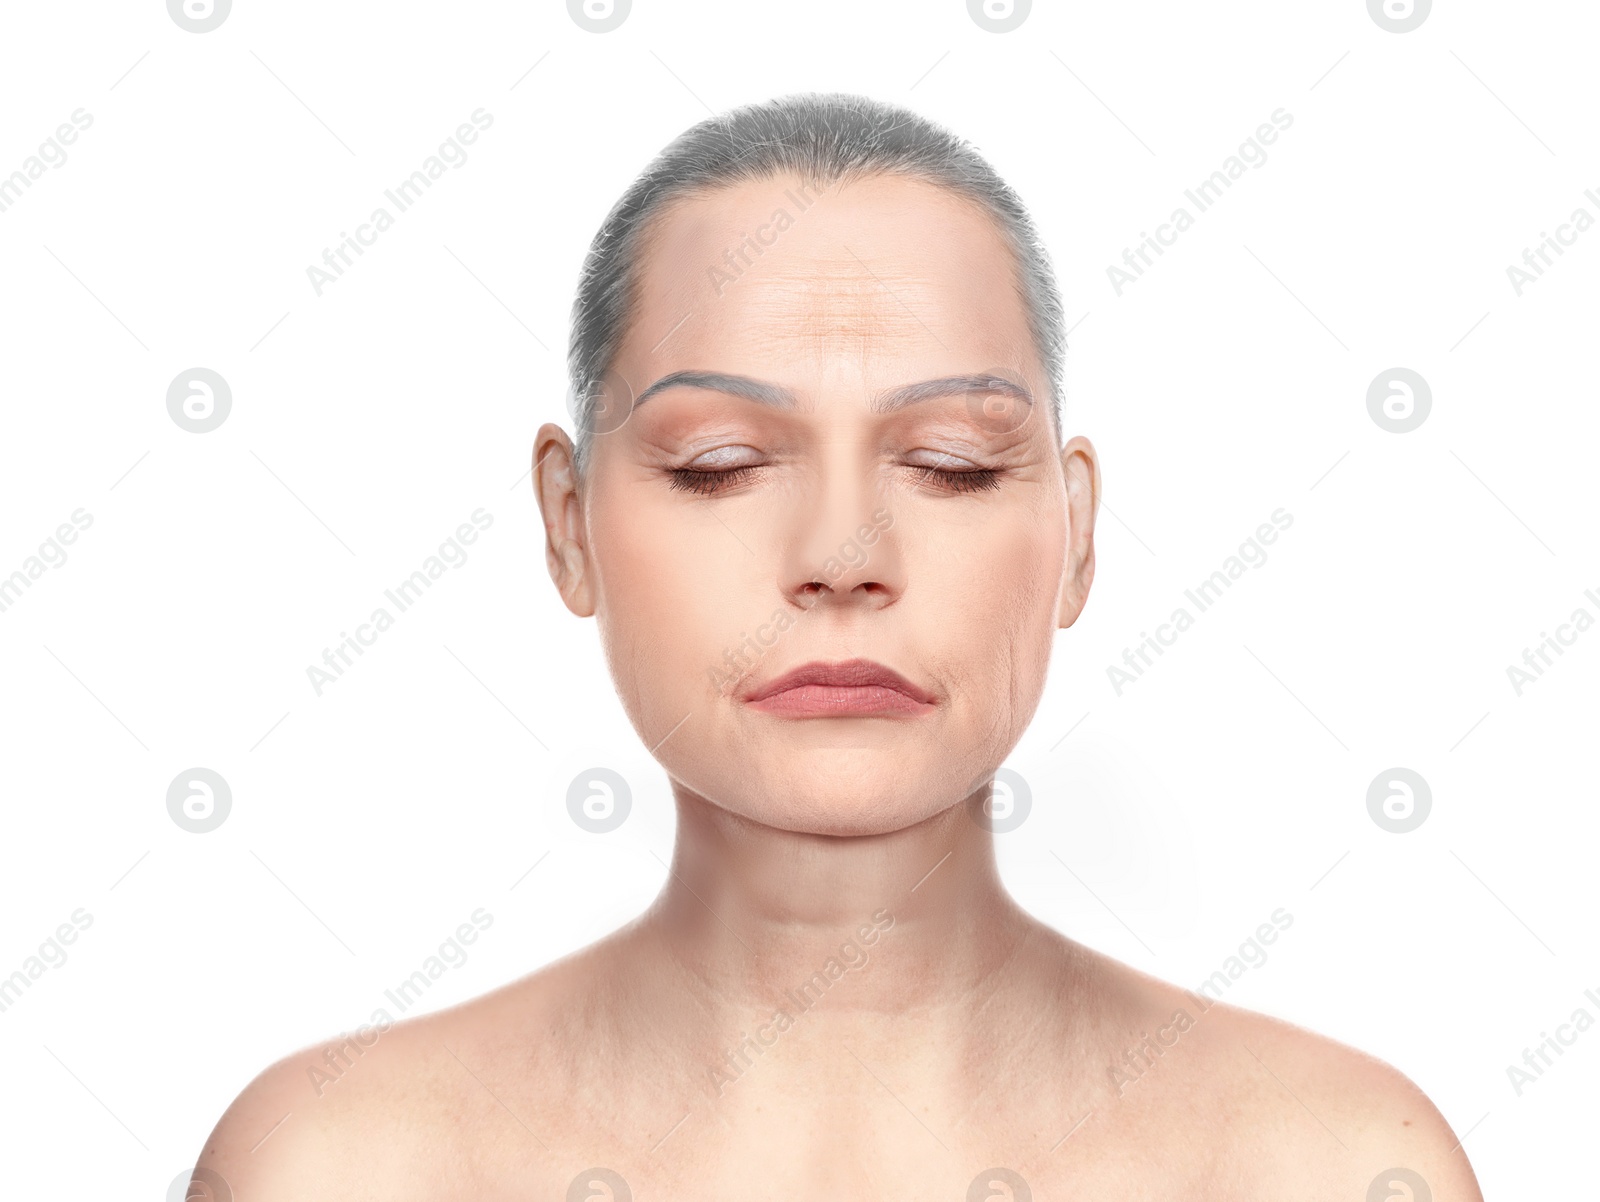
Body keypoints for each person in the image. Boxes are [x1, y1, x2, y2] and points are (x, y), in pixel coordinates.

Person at [194, 93, 1484, 1200]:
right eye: (719, 467)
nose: (844, 553)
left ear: (1076, 534)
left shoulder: (1331, 1166)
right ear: (569, 522)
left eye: (952, 466)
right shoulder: (339, 1167)